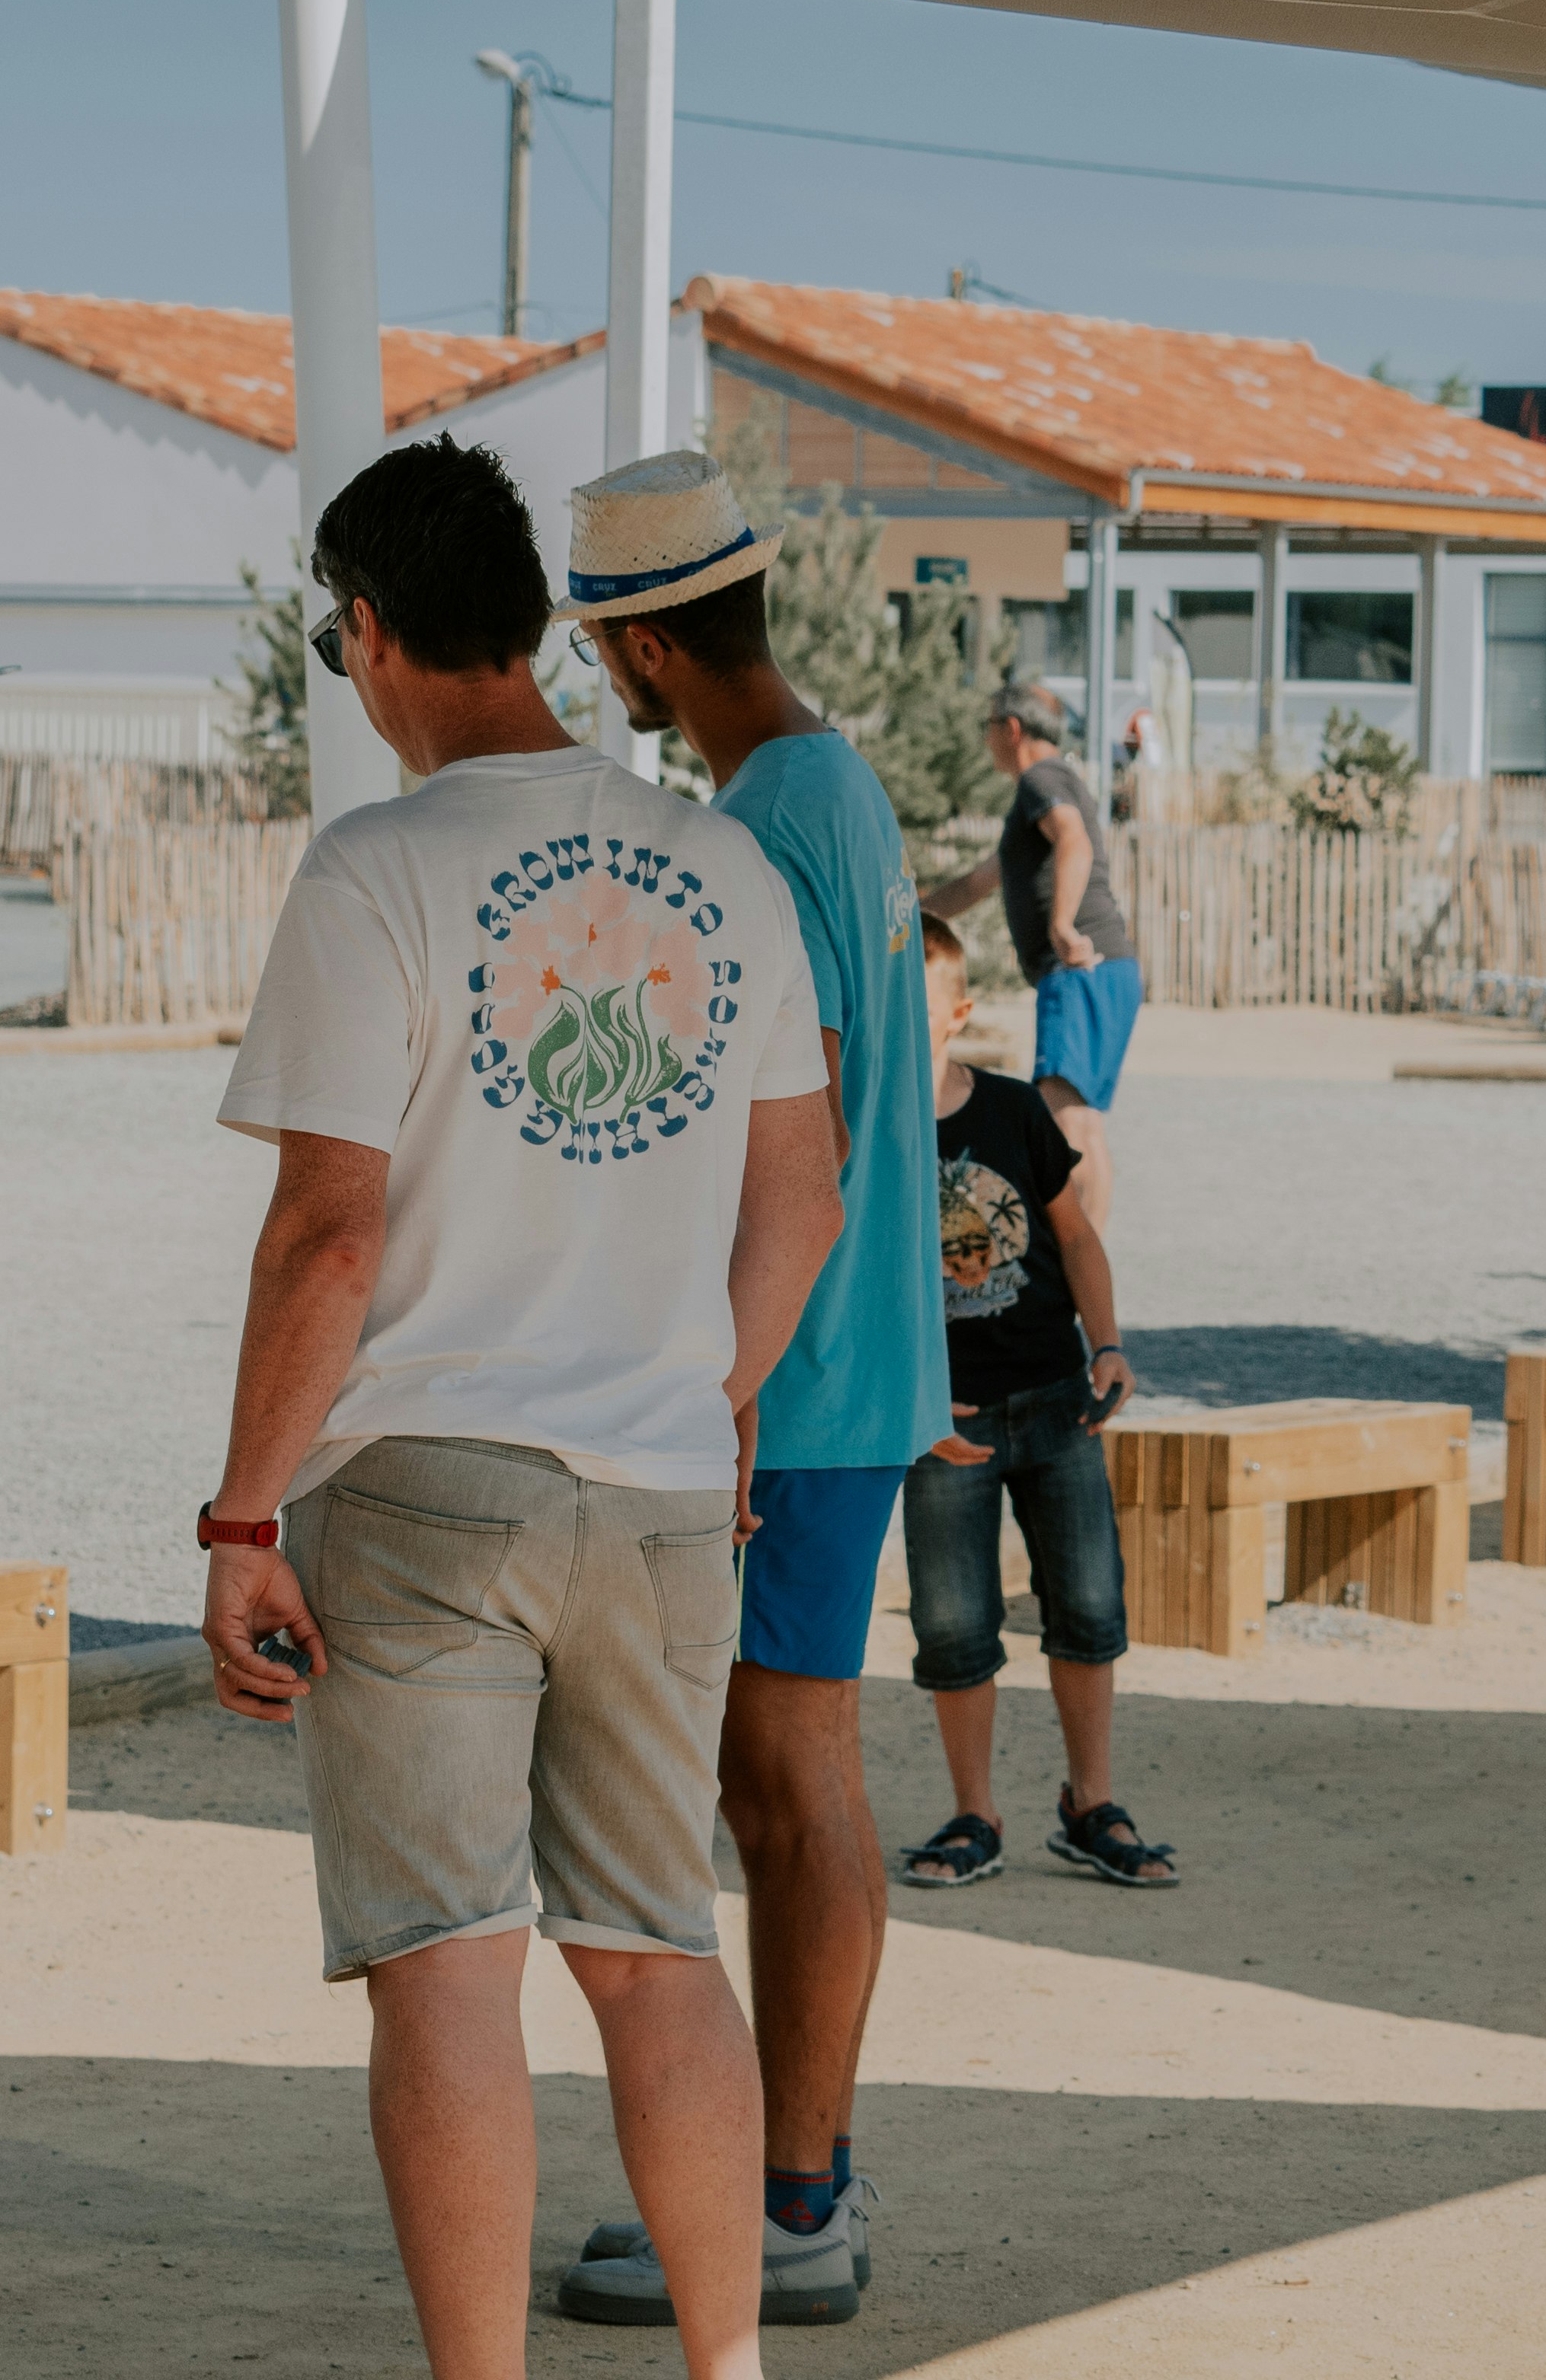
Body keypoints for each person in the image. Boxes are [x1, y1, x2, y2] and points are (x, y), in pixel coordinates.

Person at [200, 434, 846, 2379]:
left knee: (447, 1970)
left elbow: (328, 1234)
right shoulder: (719, 859)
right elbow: (799, 1192)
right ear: (542, 627)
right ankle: (724, 2367)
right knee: (659, 1955)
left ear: (375, 632)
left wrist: (240, 1518)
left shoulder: (375, 868)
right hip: (655, 1490)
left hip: (422, 1487)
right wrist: (703, 1396)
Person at [557, 451, 948, 2330]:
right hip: (838, 1367)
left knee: (783, 1782)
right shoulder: (825, 783)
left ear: (634, 647)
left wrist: (705, 1380)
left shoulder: (765, 826)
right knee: (787, 1775)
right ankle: (787, 2177)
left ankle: (793, 2195)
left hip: (786, 1384)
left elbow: (793, 1133)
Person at [889, 912, 1171, 1891]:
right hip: (944, 1425)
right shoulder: (865, 1134)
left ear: (958, 1012)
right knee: (955, 1626)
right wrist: (905, 1404)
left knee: (1088, 1608)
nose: (895, 1021)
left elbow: (1077, 1236)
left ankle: (1091, 1803)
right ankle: (976, 1813)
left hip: (1057, 1404)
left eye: (915, 1007)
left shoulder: (1014, 1112)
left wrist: (1111, 1346)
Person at [923, 686, 1137, 1227]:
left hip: (1080, 968)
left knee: (1071, 1126)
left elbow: (1074, 841)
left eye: (989, 723)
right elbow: (979, 882)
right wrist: (908, 917)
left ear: (1012, 728)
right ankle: (1080, 1272)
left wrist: (1062, 923)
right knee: (1076, 1120)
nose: (986, 736)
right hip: (1099, 971)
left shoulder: (1043, 779)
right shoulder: (1044, 789)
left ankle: (1076, 1274)